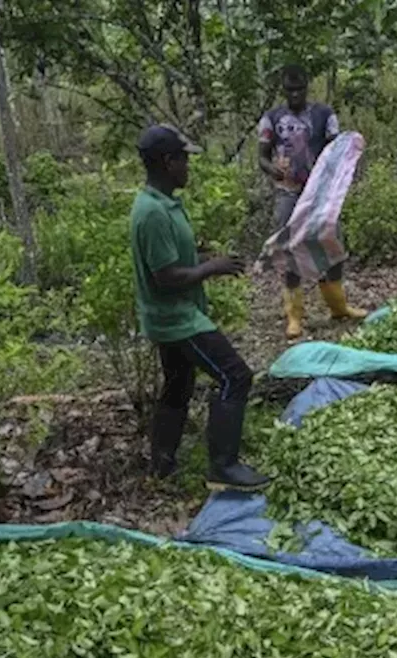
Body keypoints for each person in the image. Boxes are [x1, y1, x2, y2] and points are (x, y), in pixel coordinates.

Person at [131, 124, 270, 491]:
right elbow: (166, 276)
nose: (187, 168)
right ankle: (223, 468)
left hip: (174, 316)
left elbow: (174, 258)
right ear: (166, 162)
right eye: (183, 160)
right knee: (235, 376)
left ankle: (161, 466)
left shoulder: (163, 204)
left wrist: (208, 259)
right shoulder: (152, 213)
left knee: (178, 384)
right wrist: (211, 268)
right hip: (176, 319)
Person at [257, 64, 366, 339]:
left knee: (332, 242)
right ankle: (294, 315)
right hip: (287, 192)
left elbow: (335, 149)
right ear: (283, 90)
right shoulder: (272, 118)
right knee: (289, 245)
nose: (294, 94)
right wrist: (273, 169)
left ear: (307, 87)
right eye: (289, 90)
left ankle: (338, 306)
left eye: (299, 89)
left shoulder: (324, 115)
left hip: (320, 193)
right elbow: (261, 156)